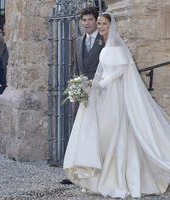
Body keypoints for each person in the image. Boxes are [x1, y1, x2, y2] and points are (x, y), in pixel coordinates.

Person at [63, 12, 170, 199]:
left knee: (116, 133)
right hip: (103, 95)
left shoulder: (115, 47)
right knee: (104, 134)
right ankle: (101, 174)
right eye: (98, 23)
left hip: (113, 96)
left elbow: (118, 73)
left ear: (111, 25)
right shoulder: (105, 45)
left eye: (103, 24)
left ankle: (119, 178)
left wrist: (97, 85)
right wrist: (89, 85)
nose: (100, 27)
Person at [61, 6, 105, 185]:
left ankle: (97, 172)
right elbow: (78, 68)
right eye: (84, 20)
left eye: (90, 20)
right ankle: (77, 172)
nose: (86, 23)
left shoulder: (104, 40)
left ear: (96, 21)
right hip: (82, 95)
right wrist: (76, 86)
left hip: (100, 94)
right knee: (80, 133)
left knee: (96, 132)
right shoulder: (79, 40)